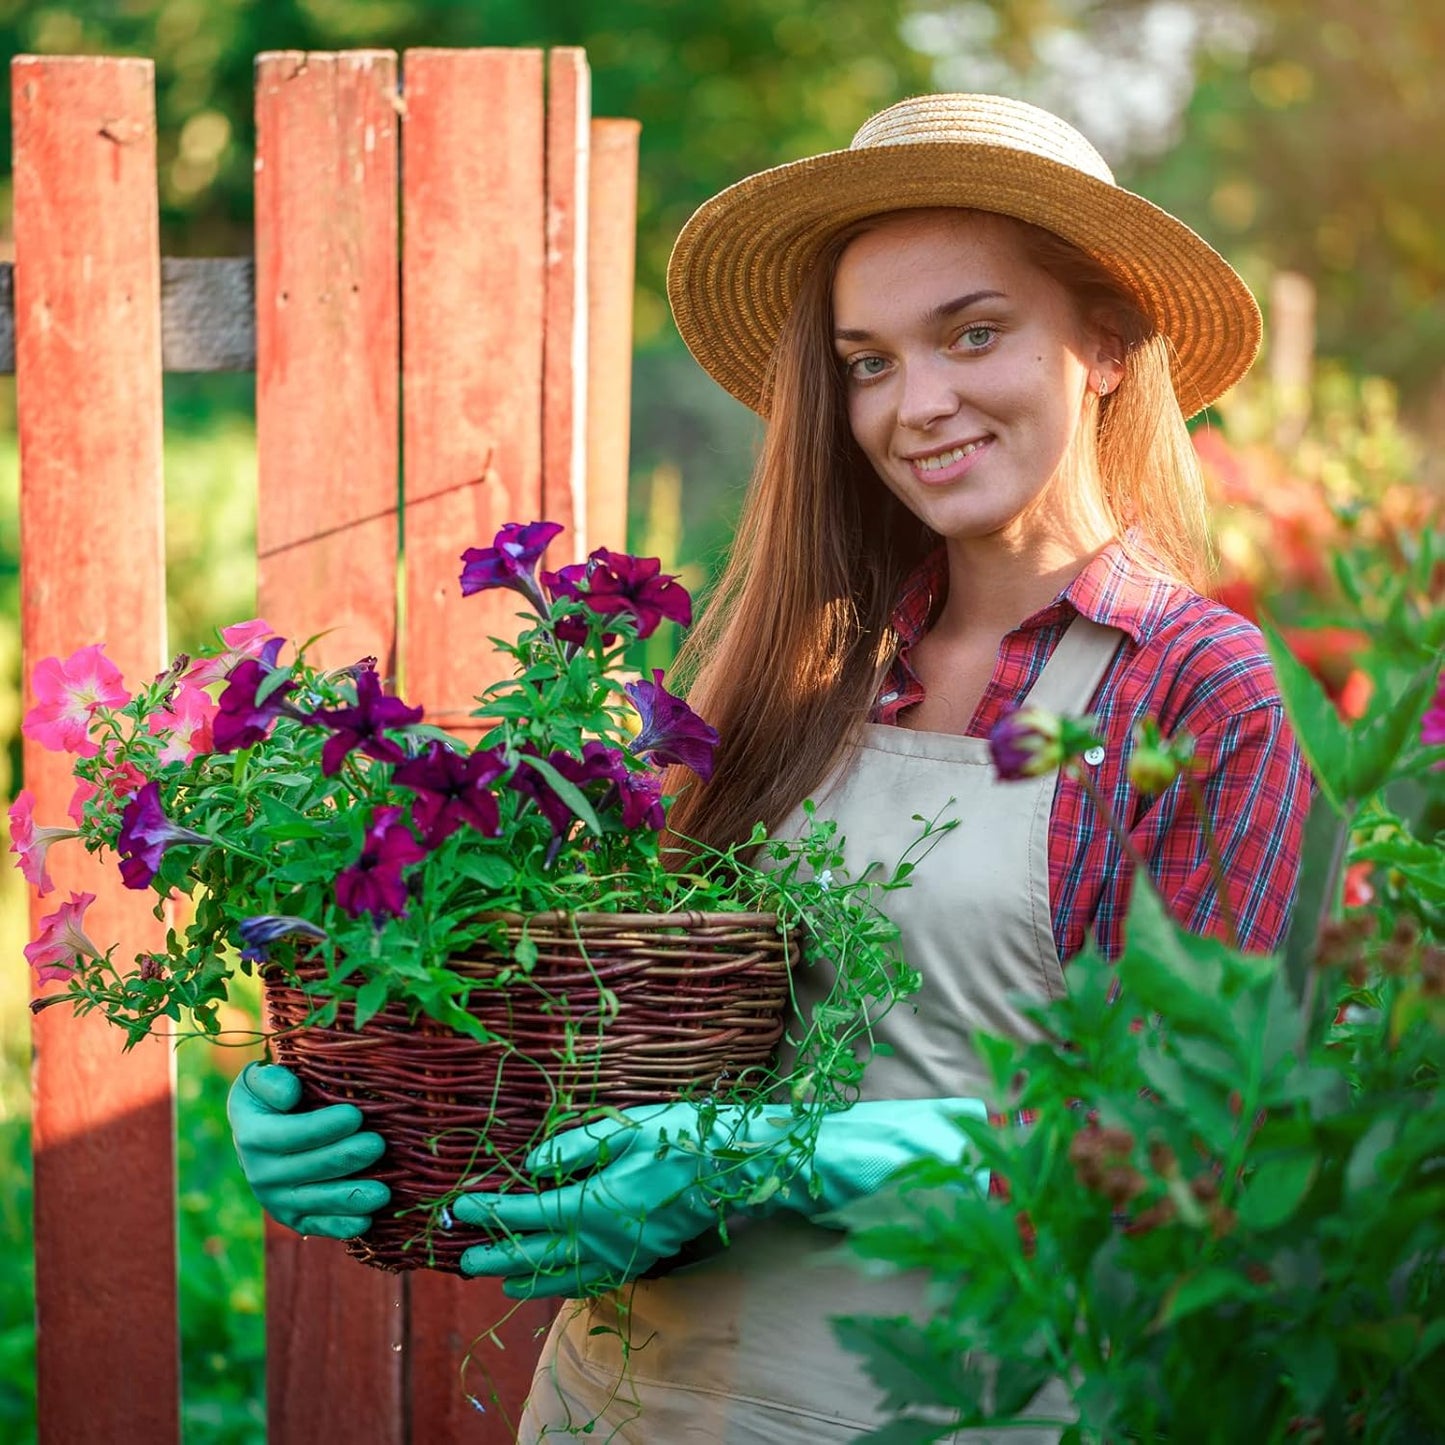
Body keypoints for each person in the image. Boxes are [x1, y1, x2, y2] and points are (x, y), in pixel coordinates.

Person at [229, 93, 1312, 1441]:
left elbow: (1179, 1145)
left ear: (1102, 340)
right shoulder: (799, 662)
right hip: (623, 1395)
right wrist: (327, 1084)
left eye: (972, 333)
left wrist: (759, 1158)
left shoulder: (1193, 691)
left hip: (955, 1404)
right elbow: (586, 991)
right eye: (866, 359)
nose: (916, 404)